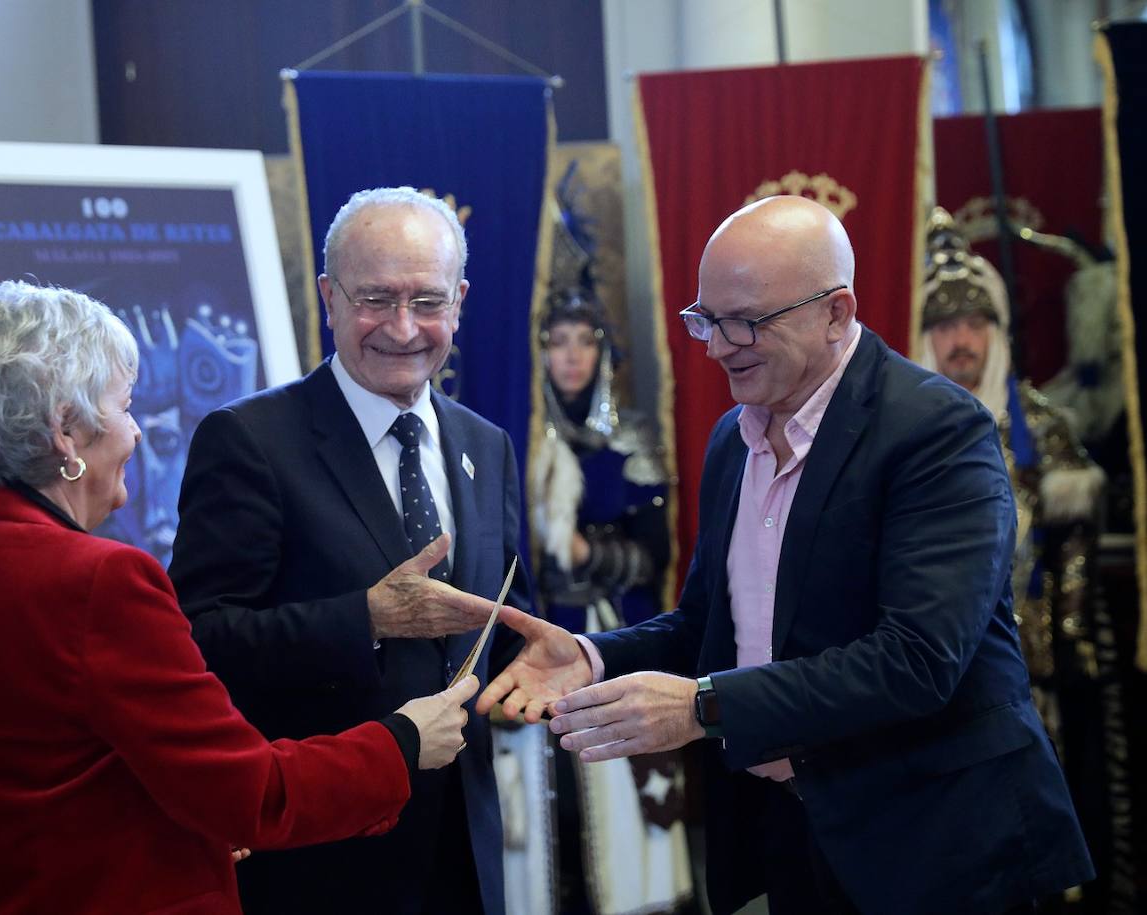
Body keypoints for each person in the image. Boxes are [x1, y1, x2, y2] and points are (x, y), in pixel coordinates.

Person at [478, 195, 1094, 914]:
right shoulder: (732, 439)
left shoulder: (936, 428)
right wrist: (591, 656)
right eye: (705, 319)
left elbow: (918, 660)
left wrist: (705, 706)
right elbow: (710, 626)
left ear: (836, 312)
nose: (717, 346)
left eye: (746, 321)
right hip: (790, 831)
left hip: (934, 840)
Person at [0, 281, 477, 915]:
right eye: (126, 407)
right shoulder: (99, 584)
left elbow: (33, 783)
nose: (135, 433)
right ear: (66, 432)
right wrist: (402, 743)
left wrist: (185, 830)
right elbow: (253, 795)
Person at [168, 186, 529, 915]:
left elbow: (506, 620)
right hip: (318, 858)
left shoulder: (486, 446)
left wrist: (559, 666)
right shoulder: (249, 441)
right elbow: (198, 641)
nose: (403, 327)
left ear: (459, 302)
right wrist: (364, 618)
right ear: (329, 297)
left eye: (427, 301)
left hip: (463, 852)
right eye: (376, 299)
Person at [918, 209, 1130, 910]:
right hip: (929, 676)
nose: (960, 341)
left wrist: (1059, 634)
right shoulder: (903, 439)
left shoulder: (1041, 426)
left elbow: (1074, 540)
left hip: (1031, 672)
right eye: (945, 326)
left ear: (997, 330)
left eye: (973, 324)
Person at [527, 289, 693, 914]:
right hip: (537, 631)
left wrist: (584, 553)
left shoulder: (632, 440)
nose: (571, 357)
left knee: (620, 787)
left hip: (610, 632)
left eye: (584, 342)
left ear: (602, 353)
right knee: (546, 798)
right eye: (557, 342)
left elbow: (654, 556)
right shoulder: (517, 436)